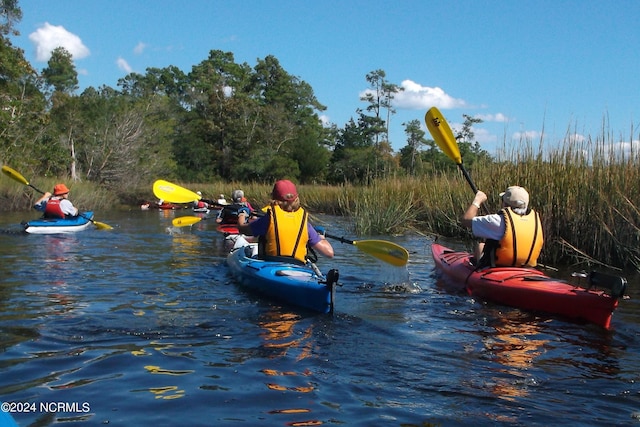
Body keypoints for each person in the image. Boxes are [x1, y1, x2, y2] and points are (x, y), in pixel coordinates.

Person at [237, 180, 334, 264]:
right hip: (297, 267)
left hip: (269, 265)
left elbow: (242, 229)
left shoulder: (268, 219)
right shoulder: (305, 225)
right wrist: (321, 237)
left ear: (274, 199)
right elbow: (329, 253)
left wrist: (242, 214)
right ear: (296, 198)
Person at [461, 185, 543, 268]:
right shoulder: (536, 221)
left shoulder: (498, 221)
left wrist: (477, 200)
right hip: (526, 269)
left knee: (480, 246)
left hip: (498, 268)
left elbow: (466, 220)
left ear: (505, 204)